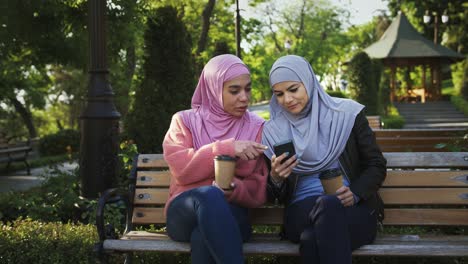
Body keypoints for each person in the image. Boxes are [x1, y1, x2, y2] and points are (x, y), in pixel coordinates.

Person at [262, 55, 386, 264]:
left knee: (311, 240)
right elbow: (273, 195)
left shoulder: (347, 114)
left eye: (293, 89)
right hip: (301, 212)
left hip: (352, 209)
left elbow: (376, 164)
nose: (287, 99)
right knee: (328, 205)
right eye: (279, 94)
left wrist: (355, 193)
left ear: (308, 82)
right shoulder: (273, 131)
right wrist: (276, 177)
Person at [162, 54, 268, 264]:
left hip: (233, 213)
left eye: (248, 88)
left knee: (203, 236)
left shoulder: (256, 126)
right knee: (208, 195)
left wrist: (233, 188)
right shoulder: (183, 121)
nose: (244, 97)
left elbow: (259, 187)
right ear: (212, 88)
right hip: (183, 212)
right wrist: (227, 147)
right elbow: (181, 170)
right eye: (234, 90)